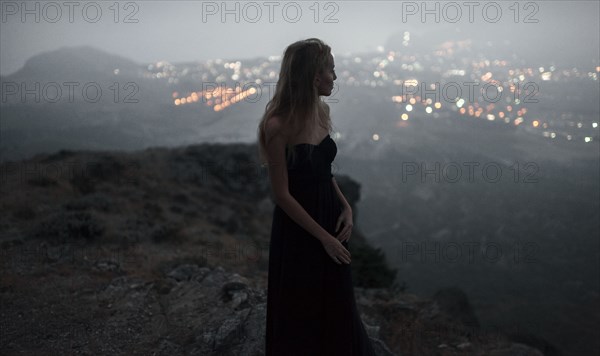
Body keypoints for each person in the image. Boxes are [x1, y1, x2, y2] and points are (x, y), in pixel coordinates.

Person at [257, 38, 376, 356]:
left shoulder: (321, 112)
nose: (335, 78)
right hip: (300, 228)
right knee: (302, 307)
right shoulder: (277, 126)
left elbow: (324, 171)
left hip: (330, 218)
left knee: (337, 302)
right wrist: (324, 239)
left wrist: (346, 206)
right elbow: (281, 194)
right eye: (331, 71)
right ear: (313, 76)